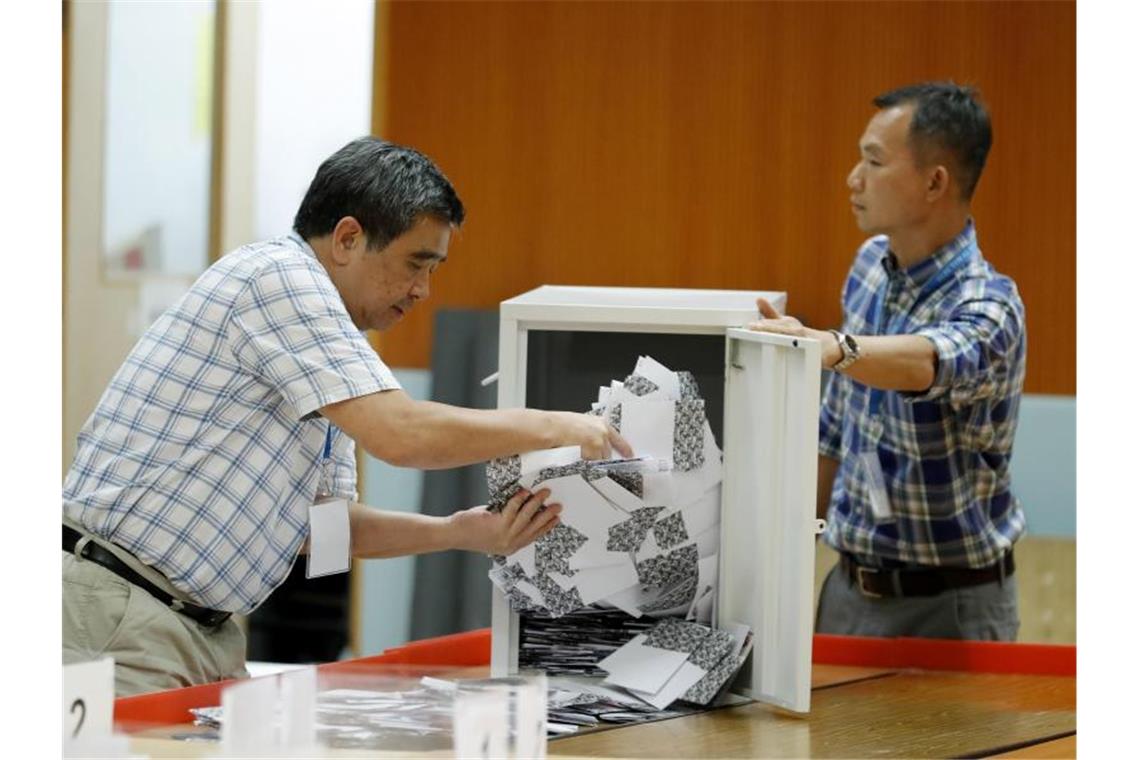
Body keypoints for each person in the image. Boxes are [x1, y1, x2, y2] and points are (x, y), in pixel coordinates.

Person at [63, 137, 632, 695]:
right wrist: (555, 426)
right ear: (348, 238)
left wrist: (458, 532)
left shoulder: (335, 344)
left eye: (433, 270)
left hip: (195, 626)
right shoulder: (279, 279)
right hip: (123, 609)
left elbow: (321, 530)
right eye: (416, 263)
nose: (422, 290)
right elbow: (403, 436)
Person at [749, 82, 1025, 640]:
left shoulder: (992, 305)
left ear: (934, 182)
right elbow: (836, 424)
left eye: (874, 161)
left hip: (951, 606)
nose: (853, 178)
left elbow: (931, 362)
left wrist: (838, 348)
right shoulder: (871, 264)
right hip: (850, 588)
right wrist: (782, 554)